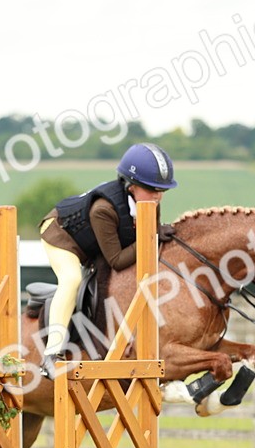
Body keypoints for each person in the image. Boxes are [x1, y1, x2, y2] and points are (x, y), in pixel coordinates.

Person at [37, 142, 178, 375]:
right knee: (71, 280)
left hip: (96, 242)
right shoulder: (103, 210)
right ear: (132, 186)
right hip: (61, 235)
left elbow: (145, 245)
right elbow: (118, 260)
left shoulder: (149, 203)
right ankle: (52, 354)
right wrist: (151, 235)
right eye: (152, 189)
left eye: (162, 190)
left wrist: (152, 235)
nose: (158, 195)